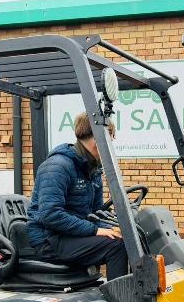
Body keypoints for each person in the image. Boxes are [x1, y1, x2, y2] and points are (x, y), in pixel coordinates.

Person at [26, 113, 128, 280]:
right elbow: (51, 215)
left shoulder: (92, 169)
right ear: (98, 138)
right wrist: (96, 230)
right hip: (49, 240)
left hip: (70, 235)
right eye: (111, 137)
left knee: (128, 238)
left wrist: (114, 227)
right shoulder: (58, 166)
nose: (112, 144)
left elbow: (96, 213)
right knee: (116, 246)